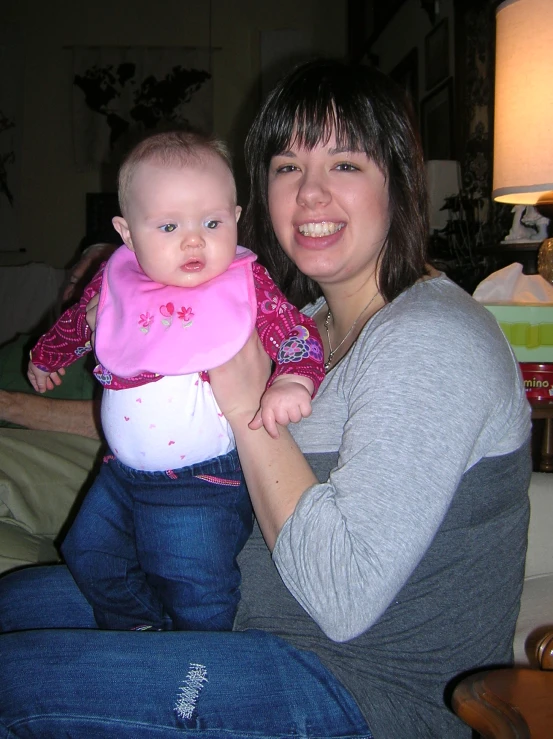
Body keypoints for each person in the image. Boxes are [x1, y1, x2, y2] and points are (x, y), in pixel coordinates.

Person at [0, 58, 531, 738]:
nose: (310, 194)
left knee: (14, 679)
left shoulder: (431, 340)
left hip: (359, 688)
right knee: (16, 602)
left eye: (344, 164)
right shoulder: (300, 321)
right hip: (243, 609)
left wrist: (249, 402)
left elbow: (342, 598)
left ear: (397, 182)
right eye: (286, 166)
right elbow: (167, 423)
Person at [25, 129, 325, 632]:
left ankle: (200, 660)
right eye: (167, 226)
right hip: (119, 475)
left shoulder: (244, 283)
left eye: (212, 222)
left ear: (236, 218)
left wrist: (294, 377)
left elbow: (294, 331)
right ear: (126, 233)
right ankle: (144, 631)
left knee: (194, 583)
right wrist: (48, 355)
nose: (194, 240)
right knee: (87, 553)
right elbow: (81, 321)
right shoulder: (115, 278)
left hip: (200, 485)